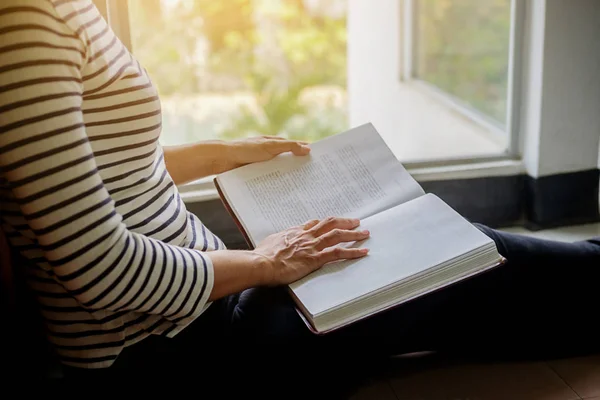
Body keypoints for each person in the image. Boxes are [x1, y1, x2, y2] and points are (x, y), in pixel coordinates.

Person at [1, 0, 599, 395]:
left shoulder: (60, 10)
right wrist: (267, 263)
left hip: (204, 314)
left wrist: (219, 154)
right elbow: (99, 270)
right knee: (448, 266)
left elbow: (91, 168)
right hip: (173, 360)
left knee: (450, 249)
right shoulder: (25, 27)